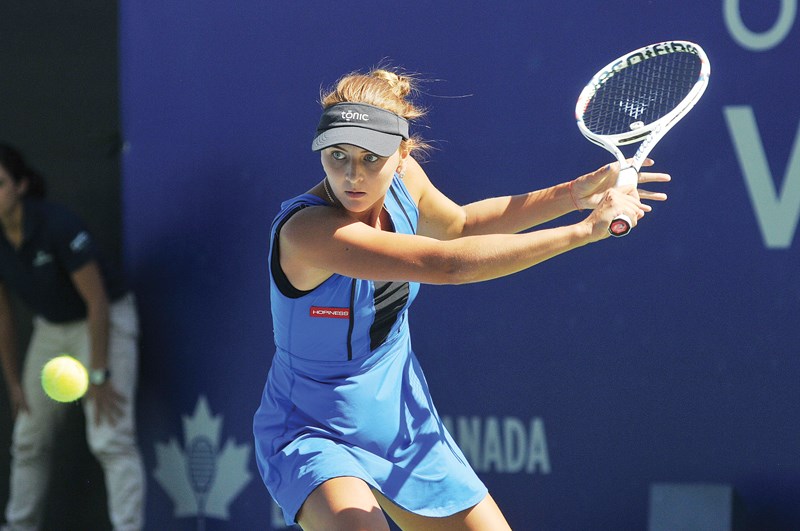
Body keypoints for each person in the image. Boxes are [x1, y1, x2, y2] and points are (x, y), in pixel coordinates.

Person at [253, 68, 670, 530]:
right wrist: (582, 232)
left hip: (399, 419)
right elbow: (445, 264)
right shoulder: (307, 233)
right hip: (310, 428)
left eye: (372, 158)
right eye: (337, 155)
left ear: (402, 153)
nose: (353, 174)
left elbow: (460, 226)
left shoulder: (406, 181)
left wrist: (572, 196)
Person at [0, 144, 145, 531]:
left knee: (110, 438)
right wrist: (14, 382)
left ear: (21, 186)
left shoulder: (57, 225)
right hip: (51, 330)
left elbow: (96, 300)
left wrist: (98, 374)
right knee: (27, 439)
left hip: (105, 319)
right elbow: (3, 315)